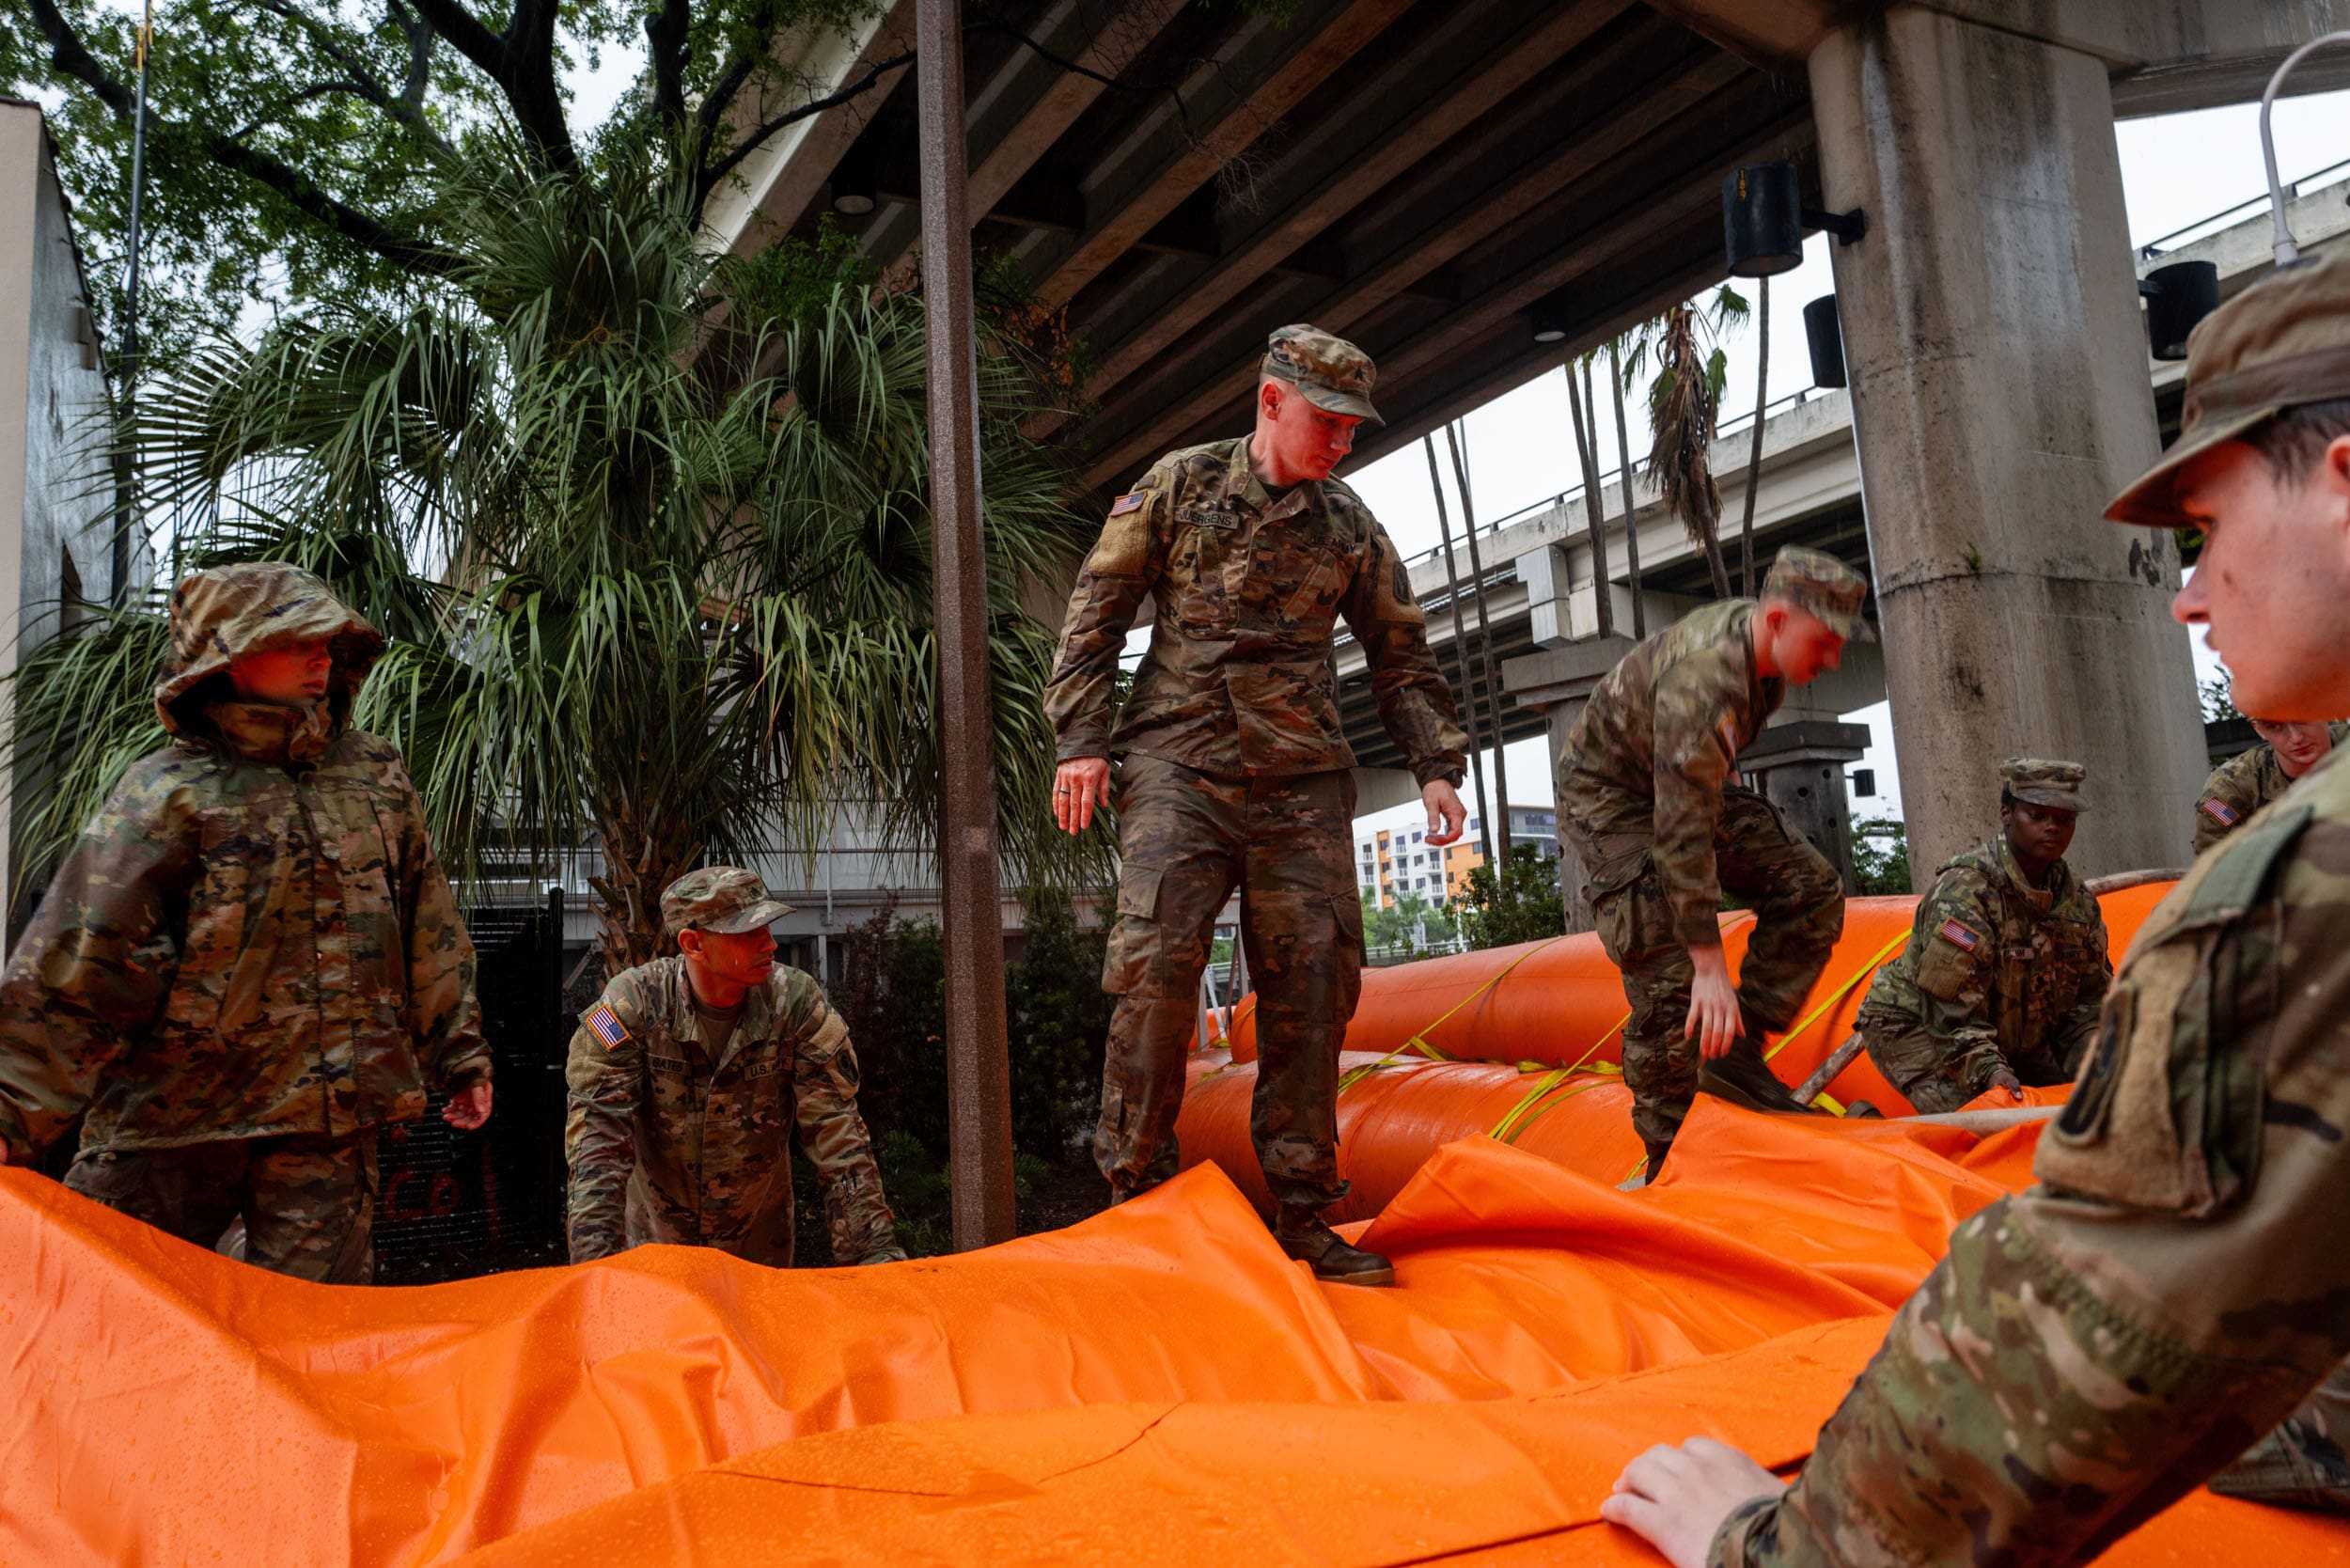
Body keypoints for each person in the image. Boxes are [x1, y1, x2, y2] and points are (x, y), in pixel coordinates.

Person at [1601, 249, 2350, 1565]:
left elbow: (2090, 1318)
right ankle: (1713, 1109)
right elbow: (1932, 1017)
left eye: (2211, 529)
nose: (2188, 592)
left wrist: (1770, 1545)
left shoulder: (2297, 883)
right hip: (1935, 1043)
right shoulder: (1756, 725)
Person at [1043, 323, 1469, 1288]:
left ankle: (1306, 1214)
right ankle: (1138, 1204)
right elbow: (1093, 620)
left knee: (1311, 993)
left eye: (1354, 429)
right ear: (1270, 401)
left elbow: (1399, 652)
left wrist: (1435, 765)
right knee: (1152, 974)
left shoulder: (1347, 524)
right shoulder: (1179, 486)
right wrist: (1080, 744)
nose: (1341, 443)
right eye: (1328, 422)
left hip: (1302, 780)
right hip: (1177, 768)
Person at [0, 561, 490, 1283]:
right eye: (295, 639)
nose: (321, 655)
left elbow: (427, 923)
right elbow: (86, 959)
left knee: (313, 1338)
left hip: (327, 1122)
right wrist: (13, 1112)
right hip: (176, 1122)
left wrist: (459, 1053)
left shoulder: (375, 775)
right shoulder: (167, 791)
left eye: (329, 640)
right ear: (223, 653)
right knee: (112, 1309)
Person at [1559, 546, 1868, 1180]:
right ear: (1778, 620)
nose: (1834, 660)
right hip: (1612, 797)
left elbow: (1699, 786)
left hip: (1678, 778)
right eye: (1826, 643)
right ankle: (1670, 1158)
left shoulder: (1769, 663)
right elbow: (1679, 829)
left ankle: (1736, 1057)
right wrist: (1706, 962)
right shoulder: (1705, 681)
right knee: (1669, 977)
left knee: (1808, 887)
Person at [564, 866, 904, 1267]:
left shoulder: (792, 1004)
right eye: (748, 932)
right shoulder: (636, 1006)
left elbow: (839, 1139)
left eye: (768, 926)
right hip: (657, 1259)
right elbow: (598, 1150)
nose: (771, 944)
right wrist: (594, 1269)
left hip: (759, 1258)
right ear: (693, 943)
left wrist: (874, 1257)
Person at [1855, 759, 2109, 1113]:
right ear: (2007, 814)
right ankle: (1872, 1131)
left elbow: (2087, 1007)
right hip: (1918, 1026)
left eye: (2065, 819)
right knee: (1986, 1127)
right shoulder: (1966, 892)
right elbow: (1949, 1012)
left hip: (2009, 1033)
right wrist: (1990, 1073)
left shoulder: (2077, 903)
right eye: (2037, 816)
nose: (2053, 828)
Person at [2193, 716, 2342, 852]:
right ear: (2259, 729)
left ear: (2325, 711)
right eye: (2274, 727)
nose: (2296, 738)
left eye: (2301, 720)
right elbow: (2213, 870)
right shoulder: (2231, 787)